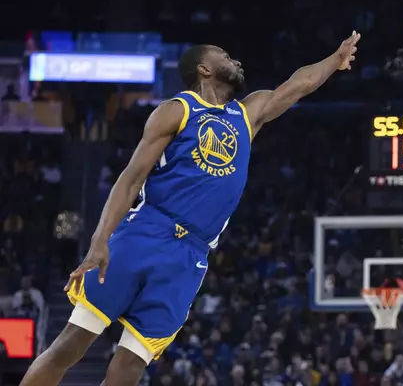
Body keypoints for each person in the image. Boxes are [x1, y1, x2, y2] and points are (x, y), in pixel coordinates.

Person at [19, 31, 361, 386]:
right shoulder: (177, 110)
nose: (236, 61)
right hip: (147, 231)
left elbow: (298, 85)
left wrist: (334, 61)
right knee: (71, 345)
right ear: (204, 69)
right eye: (225, 55)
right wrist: (99, 241)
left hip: (191, 254)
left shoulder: (247, 114)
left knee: (130, 367)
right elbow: (131, 179)